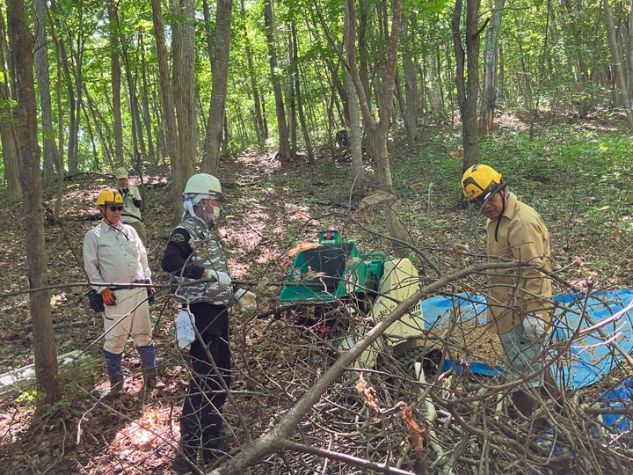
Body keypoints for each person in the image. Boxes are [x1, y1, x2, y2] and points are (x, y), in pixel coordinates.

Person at [162, 173, 256, 473]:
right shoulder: (185, 229)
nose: (218, 207)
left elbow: (219, 271)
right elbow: (170, 262)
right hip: (200, 313)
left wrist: (236, 288)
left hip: (217, 311)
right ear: (201, 202)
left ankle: (211, 439)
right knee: (204, 380)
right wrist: (205, 275)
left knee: (221, 376)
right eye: (215, 201)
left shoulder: (207, 231)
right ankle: (187, 452)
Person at [461, 164, 556, 417]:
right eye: (478, 203)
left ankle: (525, 431)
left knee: (521, 377)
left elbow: (534, 271)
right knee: (535, 366)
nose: (485, 206)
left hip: (522, 311)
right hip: (506, 308)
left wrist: (535, 312)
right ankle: (559, 412)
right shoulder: (496, 220)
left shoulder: (521, 222)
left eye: (487, 198)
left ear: (501, 189)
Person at [83, 188, 157, 396]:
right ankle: (116, 385)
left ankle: (151, 378)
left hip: (139, 290)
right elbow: (91, 266)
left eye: (119, 208)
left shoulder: (130, 231)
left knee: (144, 335)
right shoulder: (94, 236)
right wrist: (102, 288)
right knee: (115, 339)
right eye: (112, 208)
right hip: (116, 295)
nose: (116, 212)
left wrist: (148, 280)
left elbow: (142, 257)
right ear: (101, 209)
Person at [115, 167, 147, 244]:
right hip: (121, 220)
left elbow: (139, 205)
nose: (122, 181)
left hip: (134, 219)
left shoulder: (134, 189)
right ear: (117, 180)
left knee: (141, 241)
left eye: (124, 179)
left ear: (127, 179)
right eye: (120, 179)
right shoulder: (114, 191)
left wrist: (132, 197)